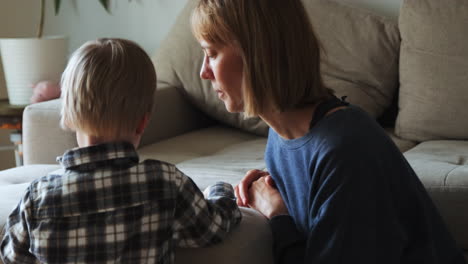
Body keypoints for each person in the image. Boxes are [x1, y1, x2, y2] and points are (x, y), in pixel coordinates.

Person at [190, 0, 466, 263]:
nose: (204, 72)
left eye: (212, 54)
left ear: (257, 53)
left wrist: (278, 215)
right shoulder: (283, 135)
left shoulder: (345, 149)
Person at [0, 38, 241, 264]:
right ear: (143, 122)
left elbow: (12, 257)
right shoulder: (165, 181)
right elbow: (212, 229)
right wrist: (221, 190)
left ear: (69, 117)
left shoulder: (39, 196)